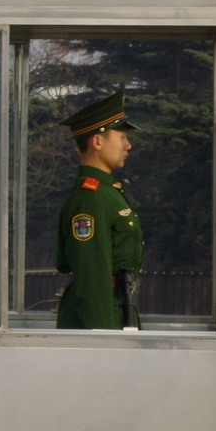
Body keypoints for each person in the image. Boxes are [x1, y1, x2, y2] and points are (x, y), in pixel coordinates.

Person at [55, 90, 144, 329]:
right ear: (97, 141)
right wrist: (104, 342)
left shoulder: (108, 194)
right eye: (122, 136)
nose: (128, 145)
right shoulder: (90, 200)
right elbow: (92, 280)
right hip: (101, 319)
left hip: (117, 310)